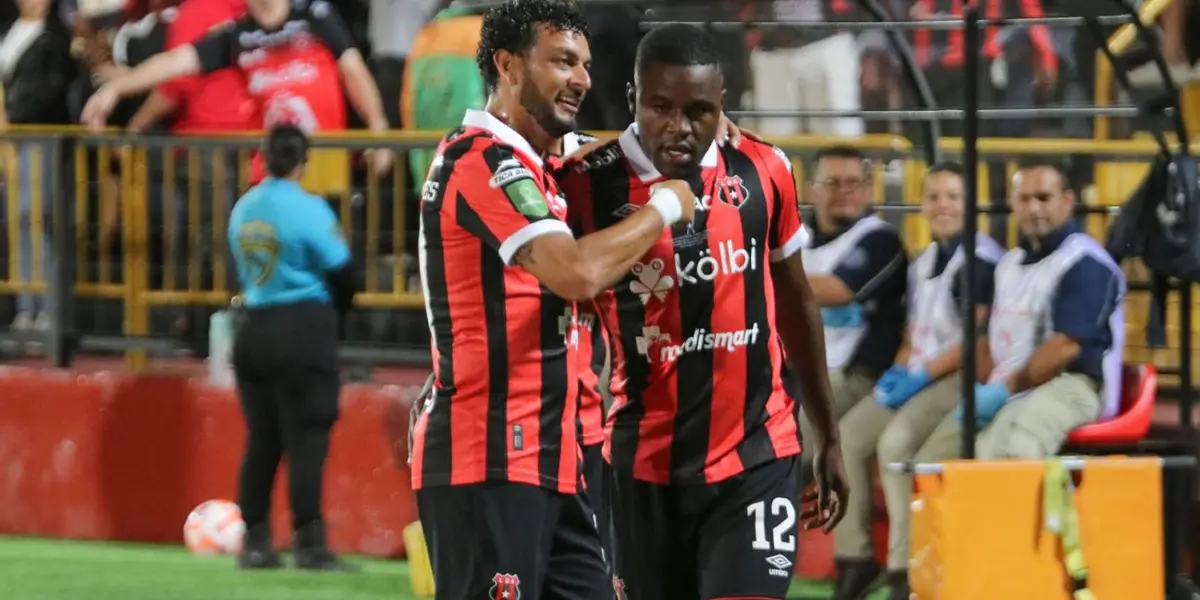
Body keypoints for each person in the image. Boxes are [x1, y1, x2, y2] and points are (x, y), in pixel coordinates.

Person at [407, 2, 698, 599]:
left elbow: (623, 147)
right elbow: (575, 273)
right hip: (487, 460)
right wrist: (665, 207)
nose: (582, 79)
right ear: (509, 66)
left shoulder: (541, 166)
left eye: (585, 64)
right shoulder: (481, 161)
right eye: (563, 61)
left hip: (556, 457)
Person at [556, 23, 849, 600]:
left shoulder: (765, 170)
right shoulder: (586, 186)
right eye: (661, 107)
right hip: (642, 466)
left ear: (722, 106)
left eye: (698, 111)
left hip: (759, 457)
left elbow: (795, 301)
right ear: (633, 98)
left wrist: (829, 435)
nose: (679, 127)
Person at [830, 162, 1004, 600]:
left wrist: (921, 374)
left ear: (970, 206)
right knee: (847, 437)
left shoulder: (979, 263)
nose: (942, 206)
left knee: (895, 446)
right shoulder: (925, 258)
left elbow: (974, 344)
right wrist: (901, 369)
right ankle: (855, 558)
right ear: (923, 203)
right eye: (935, 197)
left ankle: (903, 568)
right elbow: (914, 329)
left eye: (953, 197)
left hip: (958, 375)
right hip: (919, 372)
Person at [227, 124, 357, 572]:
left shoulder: (244, 208)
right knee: (307, 439)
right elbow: (343, 273)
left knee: (261, 441)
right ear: (304, 160)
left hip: (253, 326)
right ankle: (309, 542)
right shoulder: (309, 209)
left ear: (263, 157)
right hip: (302, 328)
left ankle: (256, 540)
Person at [79, 0, 393, 176]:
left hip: (323, 166)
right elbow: (176, 62)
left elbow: (353, 70)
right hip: (270, 177)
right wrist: (116, 89)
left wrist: (378, 127)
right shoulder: (238, 35)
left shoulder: (315, 16)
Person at [969, 161, 1125, 458]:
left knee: (1017, 446)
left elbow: (1065, 347)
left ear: (1067, 202)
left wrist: (1004, 390)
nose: (1033, 209)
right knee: (968, 447)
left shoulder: (1085, 262)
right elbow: (986, 336)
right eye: (1024, 199)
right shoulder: (1009, 263)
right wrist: (984, 385)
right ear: (1013, 204)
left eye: (1043, 197)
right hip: (1020, 381)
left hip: (1075, 383)